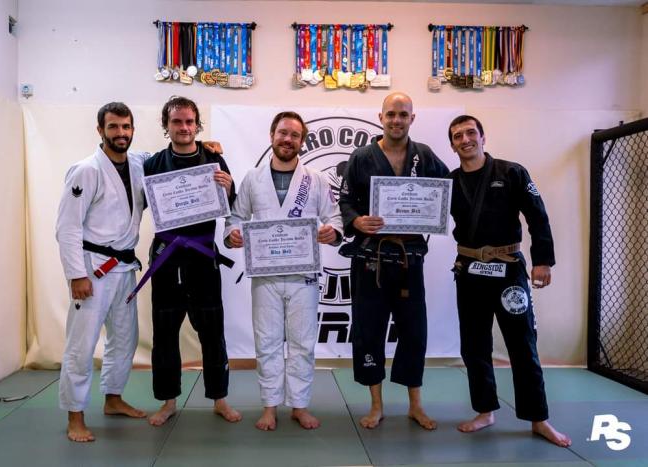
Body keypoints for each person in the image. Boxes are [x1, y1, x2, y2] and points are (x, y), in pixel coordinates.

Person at [447, 115, 571, 447]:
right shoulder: (450, 182)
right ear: (452, 145)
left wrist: (542, 260)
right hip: (469, 270)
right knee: (474, 345)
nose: (465, 139)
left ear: (483, 137)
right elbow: (426, 213)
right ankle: (485, 410)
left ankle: (538, 418)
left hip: (509, 271)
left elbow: (537, 215)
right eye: (457, 136)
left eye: (470, 133)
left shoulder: (512, 172)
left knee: (522, 344)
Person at [224, 111, 343, 431]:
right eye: (282, 133)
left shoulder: (316, 179)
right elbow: (236, 218)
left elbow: (335, 217)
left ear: (302, 141)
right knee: (267, 342)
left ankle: (299, 406)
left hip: (304, 275)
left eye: (294, 135)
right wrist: (233, 235)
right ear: (272, 136)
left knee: (303, 342)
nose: (287, 139)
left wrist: (332, 231)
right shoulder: (252, 178)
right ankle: (269, 407)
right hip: (266, 275)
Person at [338, 92, 449, 430]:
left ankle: (416, 404)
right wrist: (356, 221)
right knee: (369, 331)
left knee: (414, 331)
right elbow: (345, 200)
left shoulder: (424, 155)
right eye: (391, 114)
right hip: (370, 258)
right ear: (381, 117)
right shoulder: (362, 156)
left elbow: (447, 189)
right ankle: (376, 405)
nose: (396, 120)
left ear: (412, 118)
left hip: (408, 258)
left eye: (403, 114)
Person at [144, 96, 241, 426]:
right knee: (165, 332)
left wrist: (228, 187)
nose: (184, 127)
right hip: (166, 257)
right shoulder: (153, 164)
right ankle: (168, 400)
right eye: (177, 121)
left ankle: (220, 398)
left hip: (202, 256)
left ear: (197, 125)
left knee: (212, 330)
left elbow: (231, 205)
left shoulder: (214, 159)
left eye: (189, 122)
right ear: (166, 125)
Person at [56, 102, 147, 442]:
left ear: (132, 129)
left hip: (124, 268)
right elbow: (67, 227)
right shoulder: (85, 170)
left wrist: (203, 145)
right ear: (100, 130)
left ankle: (113, 398)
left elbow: (169, 157)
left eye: (126, 127)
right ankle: (75, 416)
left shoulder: (137, 163)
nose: (120, 133)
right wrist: (76, 275)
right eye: (113, 127)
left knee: (125, 339)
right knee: (81, 345)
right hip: (93, 270)